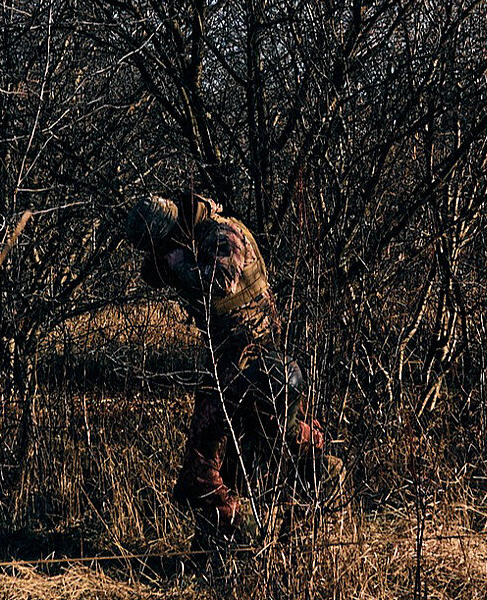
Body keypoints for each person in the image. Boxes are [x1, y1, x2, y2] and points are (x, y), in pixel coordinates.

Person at [123, 191, 337, 545]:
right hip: (233, 356)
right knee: (243, 440)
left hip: (252, 355)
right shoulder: (195, 237)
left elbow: (223, 282)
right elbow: (158, 274)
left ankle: (244, 527)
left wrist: (178, 263)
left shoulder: (220, 234)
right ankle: (227, 535)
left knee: (227, 442)